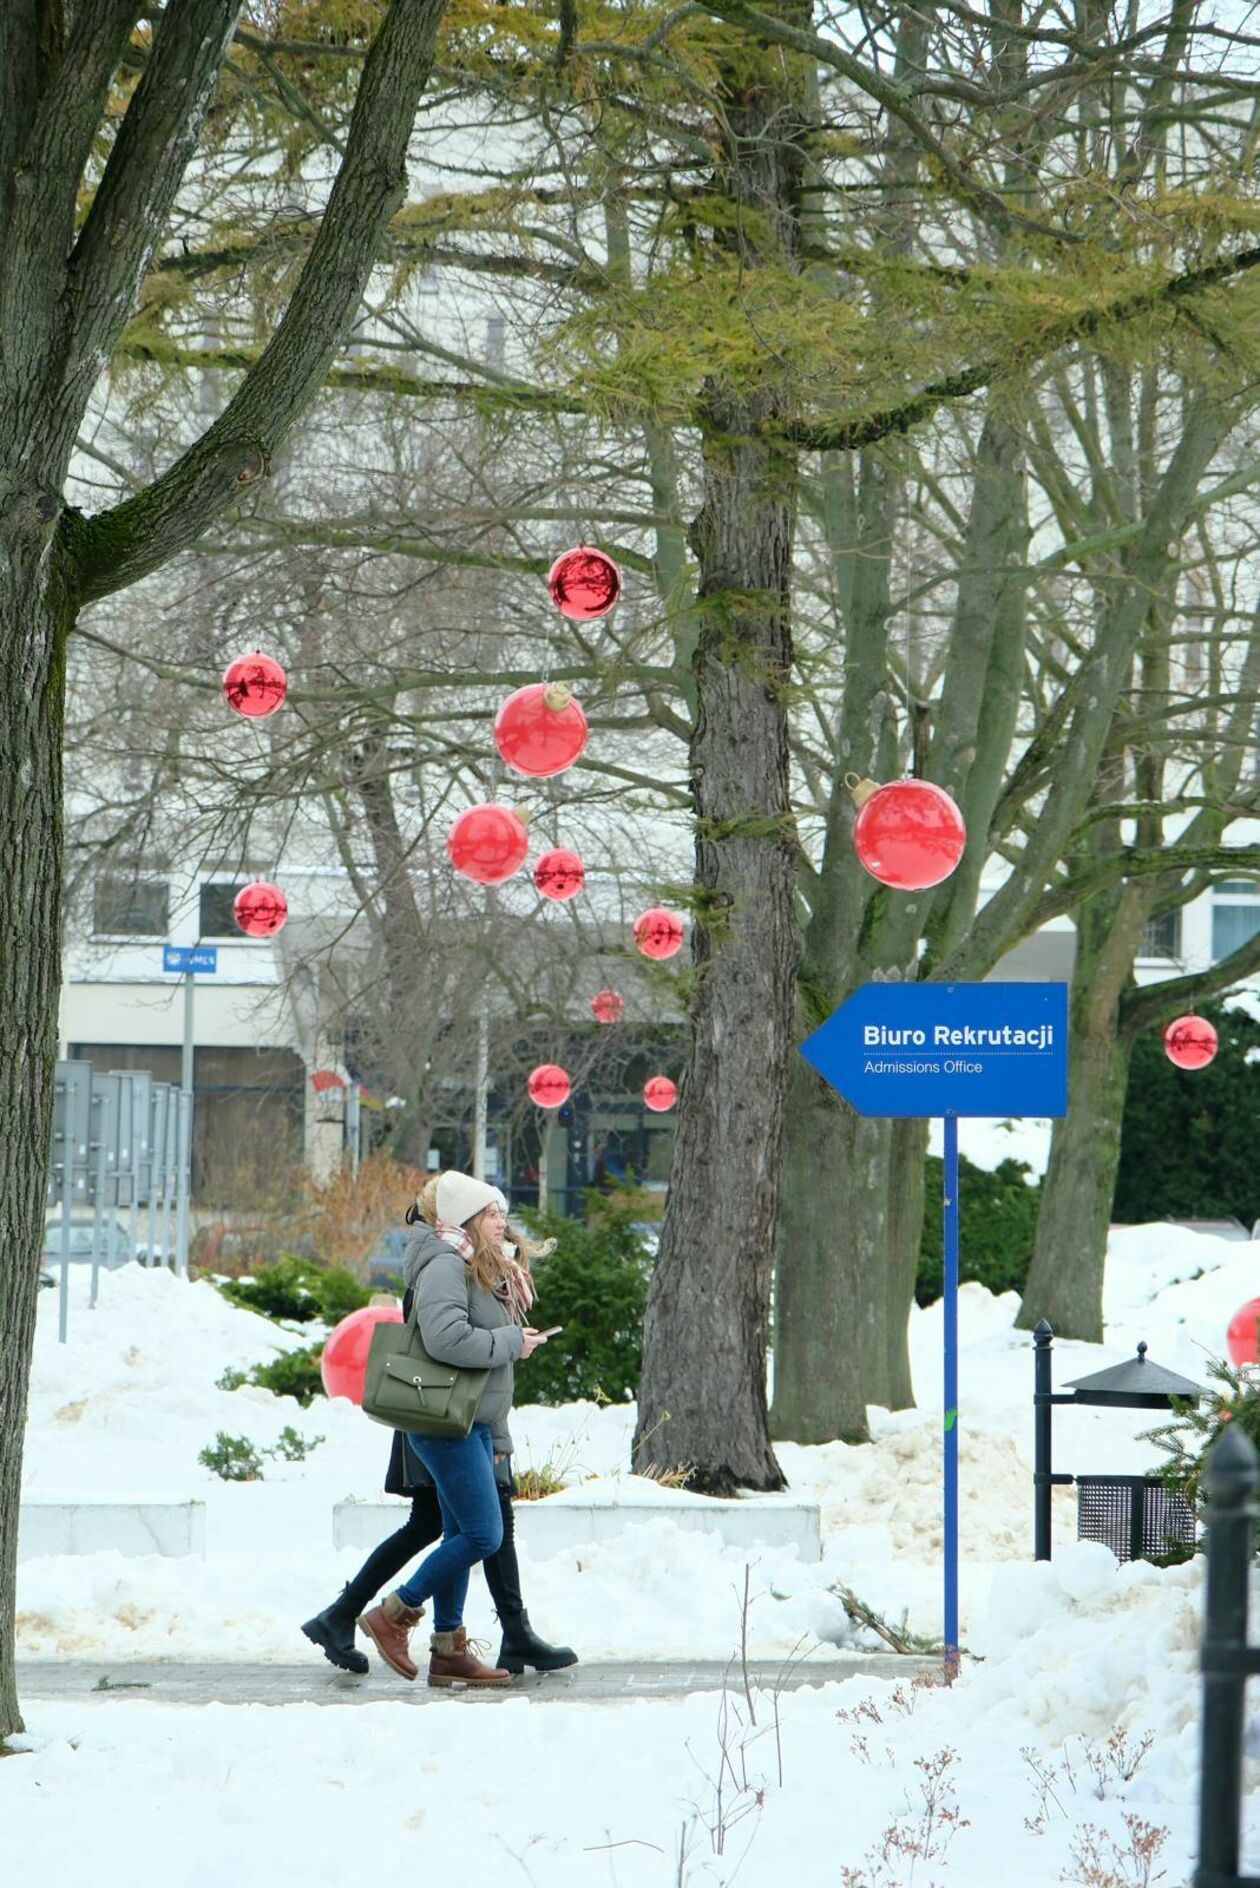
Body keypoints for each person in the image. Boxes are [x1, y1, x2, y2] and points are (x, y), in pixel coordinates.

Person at [302, 1171, 577, 1686]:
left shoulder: (470, 1264)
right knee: (482, 1532)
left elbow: (489, 1370)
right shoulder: (446, 1266)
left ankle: (448, 1648)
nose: (502, 1222)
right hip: (439, 1417)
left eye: (501, 1212)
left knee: (453, 1529)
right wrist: (511, 1342)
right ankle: (392, 1613)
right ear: (467, 1219)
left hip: (469, 1420)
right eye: (492, 1213)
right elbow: (449, 1340)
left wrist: (498, 1437)